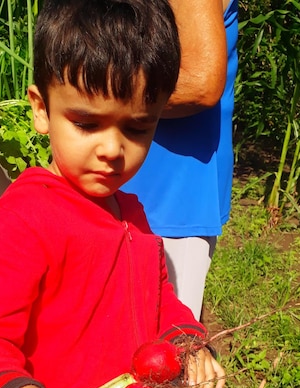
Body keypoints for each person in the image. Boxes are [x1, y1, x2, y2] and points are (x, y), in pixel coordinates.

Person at [0, 0, 225, 388]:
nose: (112, 149)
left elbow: (162, 303)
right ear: (41, 109)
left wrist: (188, 341)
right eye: (87, 123)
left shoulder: (131, 213)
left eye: (138, 126)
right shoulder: (23, 219)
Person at [122, 0, 239, 321]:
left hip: (169, 193)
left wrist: (88, 92)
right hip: (128, 178)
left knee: (165, 341)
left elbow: (199, 83)